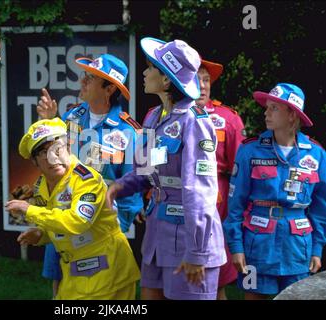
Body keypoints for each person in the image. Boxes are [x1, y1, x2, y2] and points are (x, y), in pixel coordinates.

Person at [106, 37, 226, 300]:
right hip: (156, 239)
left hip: (189, 242)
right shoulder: (152, 117)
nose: (144, 72)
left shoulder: (195, 122)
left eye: (151, 67)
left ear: (167, 81)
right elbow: (145, 171)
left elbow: (201, 191)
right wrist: (116, 188)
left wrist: (197, 252)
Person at [35, 53, 143, 296]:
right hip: (63, 220)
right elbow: (52, 163)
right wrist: (48, 122)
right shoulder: (70, 117)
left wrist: (114, 229)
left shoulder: (129, 131)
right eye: (85, 75)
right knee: (60, 290)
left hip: (100, 234)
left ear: (109, 89)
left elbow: (132, 190)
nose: (83, 81)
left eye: (91, 78)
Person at [5, 118, 140, 300]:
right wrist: (42, 235)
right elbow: (57, 220)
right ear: (35, 162)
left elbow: (77, 221)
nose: (54, 157)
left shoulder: (87, 179)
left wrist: (30, 210)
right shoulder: (41, 186)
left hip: (109, 271)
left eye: (58, 148)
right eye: (45, 152)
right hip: (74, 274)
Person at [223, 83, 326, 299]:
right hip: (256, 246)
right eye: (267, 107)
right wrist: (236, 246)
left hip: (298, 248)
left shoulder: (317, 154)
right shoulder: (249, 150)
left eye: (274, 108)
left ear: (292, 115)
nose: (266, 112)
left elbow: (320, 208)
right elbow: (235, 204)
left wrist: (317, 248)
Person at [195, 58, 246, 299]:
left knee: (216, 279)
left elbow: (241, 170)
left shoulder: (228, 118)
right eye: (197, 79)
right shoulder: (160, 114)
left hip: (218, 199)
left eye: (207, 80)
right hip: (174, 200)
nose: (203, 85)